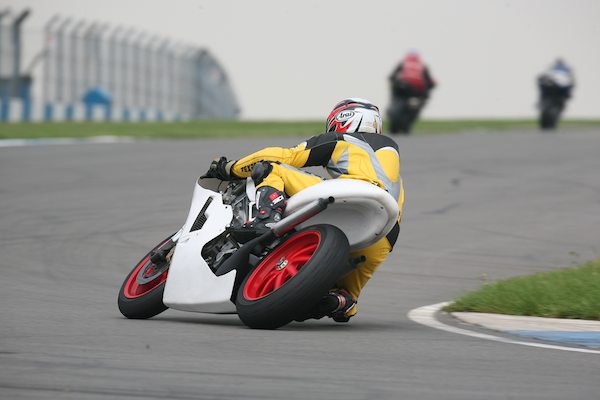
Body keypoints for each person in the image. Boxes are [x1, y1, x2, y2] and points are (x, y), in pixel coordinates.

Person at [204, 98, 404, 323]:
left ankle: (266, 218)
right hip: (382, 235)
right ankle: (341, 301)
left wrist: (229, 168)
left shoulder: (342, 139)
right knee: (346, 295)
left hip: (349, 197)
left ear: (343, 119)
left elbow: (284, 156)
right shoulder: (394, 173)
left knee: (272, 169)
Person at [387, 51, 436, 133]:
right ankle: (406, 122)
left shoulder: (403, 64)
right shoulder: (422, 66)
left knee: (397, 102)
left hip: (401, 90)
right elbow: (430, 82)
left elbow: (392, 77)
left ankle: (401, 121)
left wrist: (395, 83)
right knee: (417, 105)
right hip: (415, 92)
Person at [537, 58, 575, 129]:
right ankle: (541, 104)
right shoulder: (551, 69)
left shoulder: (566, 70)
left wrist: (569, 91)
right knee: (543, 95)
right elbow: (541, 79)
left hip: (560, 90)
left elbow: (571, 82)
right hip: (550, 89)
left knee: (563, 100)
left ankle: (552, 116)